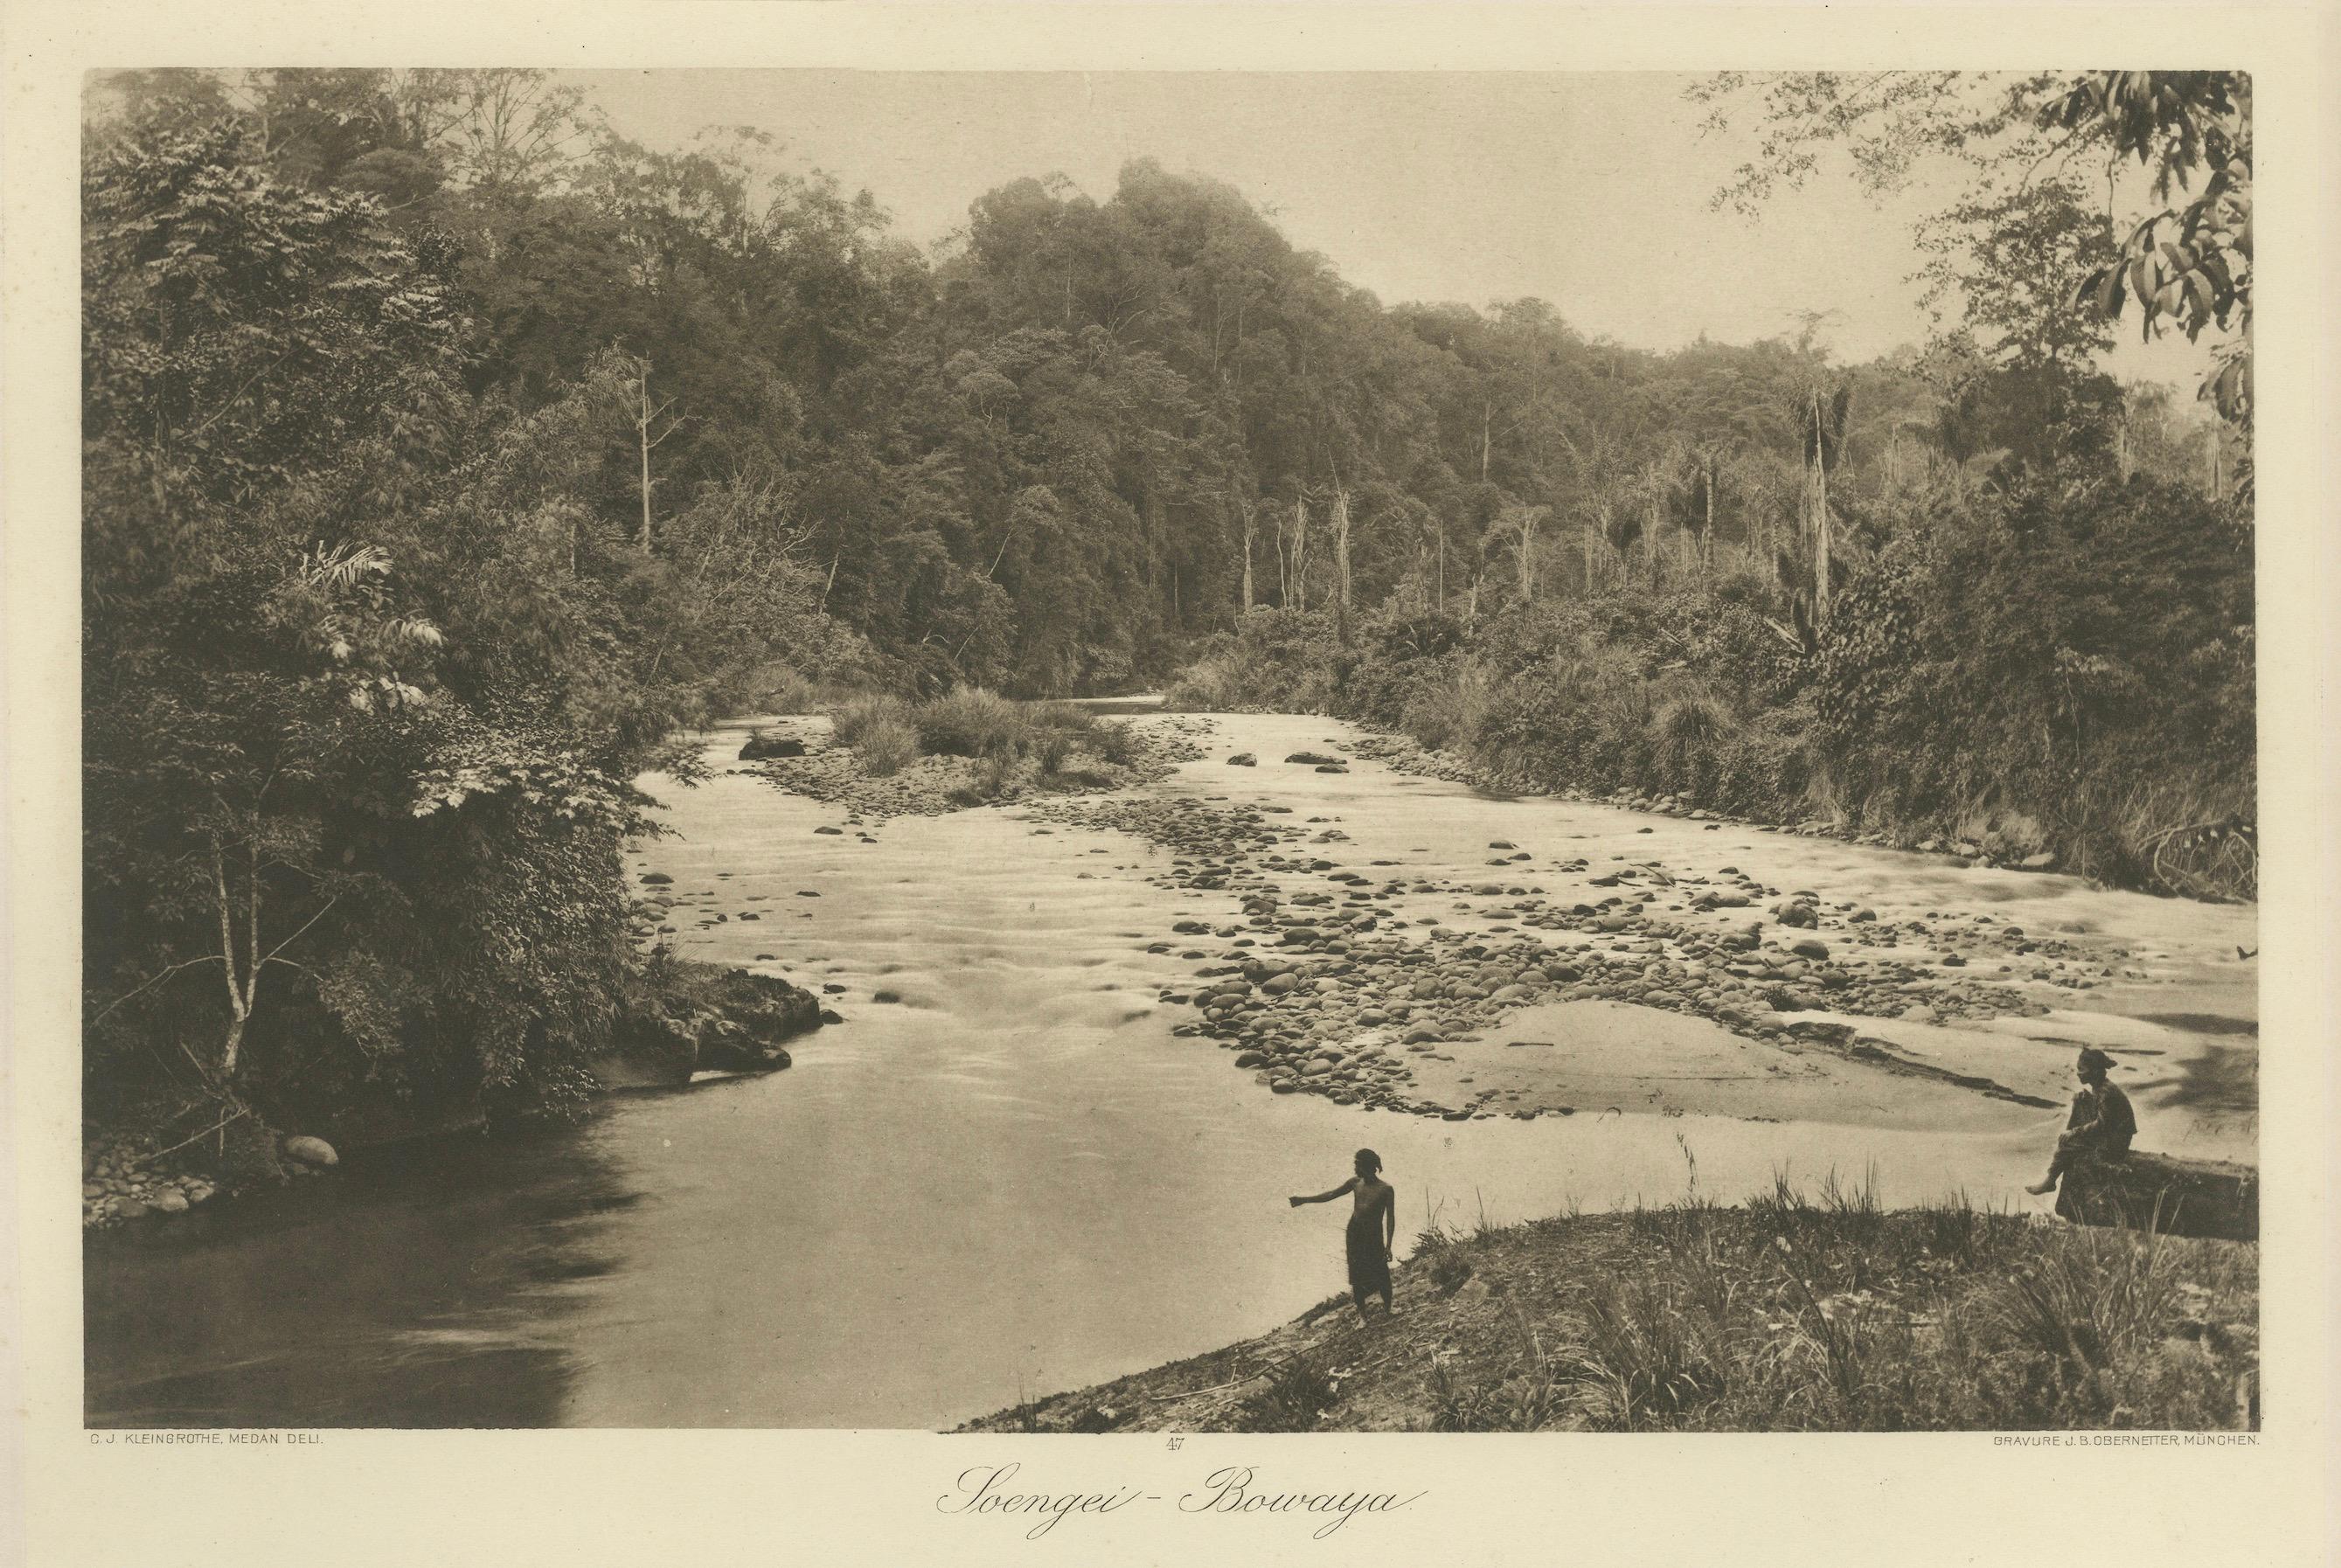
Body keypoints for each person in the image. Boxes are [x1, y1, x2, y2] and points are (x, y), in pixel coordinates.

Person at [1290, 1148, 1397, 1324]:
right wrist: (1304, 1200)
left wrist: (1389, 1245)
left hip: (1373, 1236)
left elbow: (1390, 1219)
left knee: (1381, 1273)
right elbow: (1331, 1195)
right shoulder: (1355, 1183)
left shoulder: (1385, 1189)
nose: (1355, 1167)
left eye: (1357, 1163)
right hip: (1355, 1233)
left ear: (1367, 1166)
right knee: (1356, 1276)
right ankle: (1363, 1317)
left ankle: (1389, 1309)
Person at [2025, 1047, 2137, 1195]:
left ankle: (2050, 1180)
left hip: (2116, 1143)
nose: (2078, 1073)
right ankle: (2068, 1137)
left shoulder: (2105, 1092)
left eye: (2081, 1069)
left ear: (2095, 1071)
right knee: (2079, 1099)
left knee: (2068, 1145)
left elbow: (2102, 1125)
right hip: (2114, 1133)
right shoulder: (2100, 1087)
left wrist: (2074, 1132)